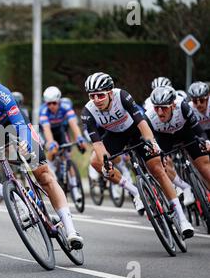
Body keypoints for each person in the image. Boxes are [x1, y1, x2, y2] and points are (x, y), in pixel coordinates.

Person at [0, 70, 83, 248]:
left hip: (13, 126)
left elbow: (21, 126)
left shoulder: (3, 95)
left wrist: (26, 145)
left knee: (43, 175)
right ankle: (15, 198)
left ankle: (71, 230)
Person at [81, 72, 194, 238]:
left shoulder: (123, 96)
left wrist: (153, 144)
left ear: (110, 92)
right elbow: (97, 144)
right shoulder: (88, 111)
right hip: (115, 135)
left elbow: (141, 122)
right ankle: (135, 192)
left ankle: (182, 218)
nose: (96, 99)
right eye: (93, 96)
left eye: (100, 95)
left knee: (157, 169)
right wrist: (106, 162)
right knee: (95, 162)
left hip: (136, 129)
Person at [146, 86, 210, 193]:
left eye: (164, 107)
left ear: (173, 105)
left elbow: (199, 131)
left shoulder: (183, 107)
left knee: (204, 165)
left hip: (185, 132)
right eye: (157, 108)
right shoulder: (148, 117)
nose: (160, 112)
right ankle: (184, 187)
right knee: (160, 163)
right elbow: (148, 138)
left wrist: (206, 141)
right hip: (164, 137)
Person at [39, 86, 87, 203]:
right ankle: (51, 169)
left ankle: (75, 189)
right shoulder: (43, 110)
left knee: (67, 157)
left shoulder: (66, 107)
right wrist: (50, 143)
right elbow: (46, 129)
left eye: (54, 103)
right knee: (53, 149)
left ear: (59, 101)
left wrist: (79, 137)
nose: (52, 106)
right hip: (46, 132)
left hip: (60, 130)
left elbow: (73, 124)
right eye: (49, 104)